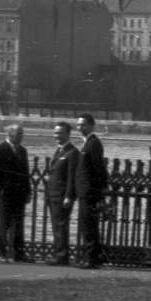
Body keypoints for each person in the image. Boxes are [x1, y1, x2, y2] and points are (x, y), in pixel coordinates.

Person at [0, 123, 32, 263]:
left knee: (18, 224)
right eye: (19, 134)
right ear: (10, 134)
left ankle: (18, 253)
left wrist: (28, 192)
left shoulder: (23, 151)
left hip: (20, 193)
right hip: (6, 193)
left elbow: (26, 173)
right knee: (4, 224)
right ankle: (1, 253)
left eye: (22, 134)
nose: (22, 137)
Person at [44, 122, 80, 266]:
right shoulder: (59, 150)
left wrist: (69, 196)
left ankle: (61, 256)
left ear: (68, 134)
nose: (57, 136)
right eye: (55, 133)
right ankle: (60, 254)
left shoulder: (72, 152)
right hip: (52, 195)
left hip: (61, 197)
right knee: (56, 226)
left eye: (60, 133)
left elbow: (71, 177)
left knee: (60, 226)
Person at [74, 113, 108, 269]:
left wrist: (97, 191)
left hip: (89, 193)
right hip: (84, 192)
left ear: (92, 126)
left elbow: (98, 169)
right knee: (86, 226)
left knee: (89, 226)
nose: (80, 127)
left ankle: (91, 259)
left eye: (83, 125)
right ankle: (89, 257)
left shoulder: (93, 144)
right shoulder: (88, 143)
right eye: (79, 125)